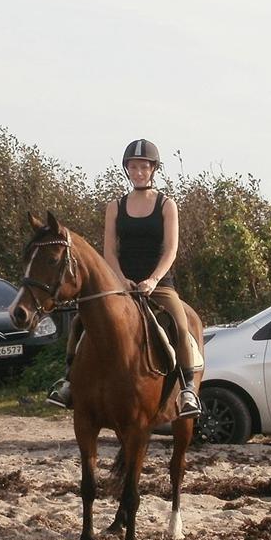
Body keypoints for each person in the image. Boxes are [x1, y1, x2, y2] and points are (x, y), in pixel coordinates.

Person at [47, 138, 202, 418]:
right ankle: (69, 381)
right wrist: (121, 279)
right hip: (121, 283)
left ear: (153, 169)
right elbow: (109, 250)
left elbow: (170, 250)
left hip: (158, 284)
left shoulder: (167, 205)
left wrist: (152, 281)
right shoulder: (115, 206)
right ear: (127, 169)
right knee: (82, 321)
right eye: (133, 166)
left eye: (144, 166)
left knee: (180, 323)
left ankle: (188, 388)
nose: (139, 172)